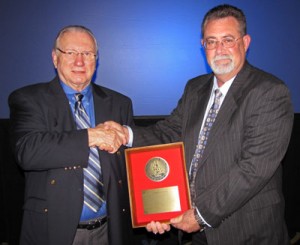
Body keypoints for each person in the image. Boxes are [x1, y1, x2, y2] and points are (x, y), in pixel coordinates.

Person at [106, 4, 294, 245]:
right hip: (196, 231)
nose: (220, 49)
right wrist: (125, 134)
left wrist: (200, 214)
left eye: (228, 40)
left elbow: (253, 169)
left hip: (246, 229)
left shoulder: (269, 92)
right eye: (211, 41)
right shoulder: (195, 88)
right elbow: (170, 132)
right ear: (203, 46)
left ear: (245, 42)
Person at [9, 25, 134, 245]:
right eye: (71, 53)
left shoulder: (119, 103)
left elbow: (132, 166)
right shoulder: (29, 99)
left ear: (96, 59)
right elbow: (28, 152)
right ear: (55, 58)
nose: (80, 62)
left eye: (87, 54)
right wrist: (91, 136)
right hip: (54, 232)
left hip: (111, 230)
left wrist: (155, 210)